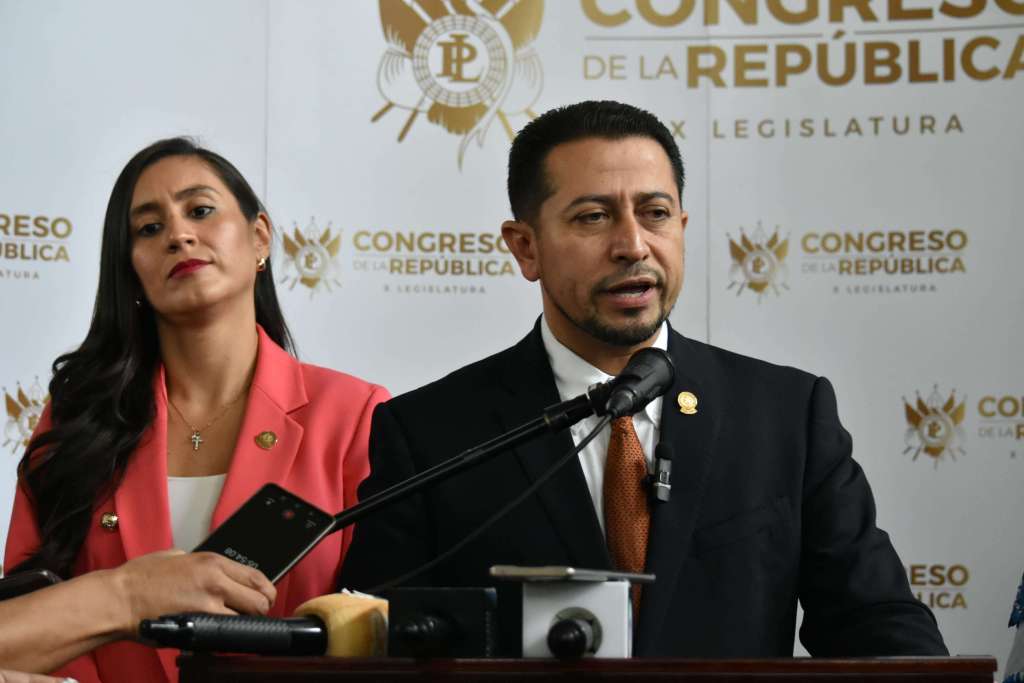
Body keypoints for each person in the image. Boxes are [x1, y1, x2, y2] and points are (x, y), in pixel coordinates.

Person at [339, 100, 948, 657]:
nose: (633, 245)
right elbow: (378, 636)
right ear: (525, 247)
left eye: (655, 214)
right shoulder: (431, 432)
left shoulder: (786, 413)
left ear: (681, 225)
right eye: (593, 217)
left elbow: (874, 619)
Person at [4, 138, 388, 682]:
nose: (180, 235)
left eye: (200, 210)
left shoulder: (356, 416)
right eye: (149, 228)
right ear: (131, 270)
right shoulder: (76, 418)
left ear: (259, 238)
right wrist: (125, 596)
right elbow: (15, 632)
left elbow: (386, 635)